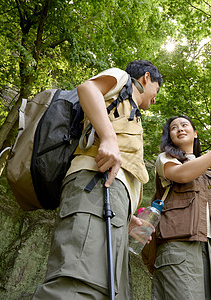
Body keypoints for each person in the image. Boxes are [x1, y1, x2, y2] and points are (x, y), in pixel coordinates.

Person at [33, 60, 163, 299]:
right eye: (157, 89)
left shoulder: (130, 109)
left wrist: (126, 218)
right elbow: (88, 89)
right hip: (95, 186)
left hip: (111, 202)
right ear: (146, 78)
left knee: (105, 289)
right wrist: (108, 137)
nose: (155, 97)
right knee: (77, 284)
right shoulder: (122, 79)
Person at [143, 115, 211, 300]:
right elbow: (181, 175)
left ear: (195, 133)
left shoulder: (208, 168)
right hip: (179, 246)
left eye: (184, 125)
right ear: (169, 137)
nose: (180, 129)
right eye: (174, 128)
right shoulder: (166, 159)